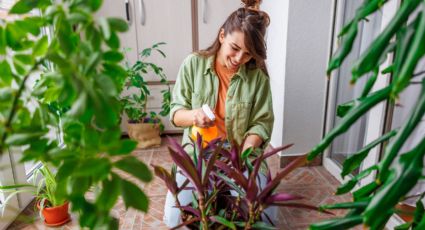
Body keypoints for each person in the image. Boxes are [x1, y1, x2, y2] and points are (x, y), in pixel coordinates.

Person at [164, 0, 274, 227]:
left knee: (264, 217)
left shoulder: (258, 79)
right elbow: (175, 113)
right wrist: (195, 116)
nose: (238, 59)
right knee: (175, 219)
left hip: (239, 156)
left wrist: (243, 158)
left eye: (248, 54)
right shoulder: (193, 64)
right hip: (198, 156)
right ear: (222, 35)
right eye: (235, 48)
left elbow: (261, 124)